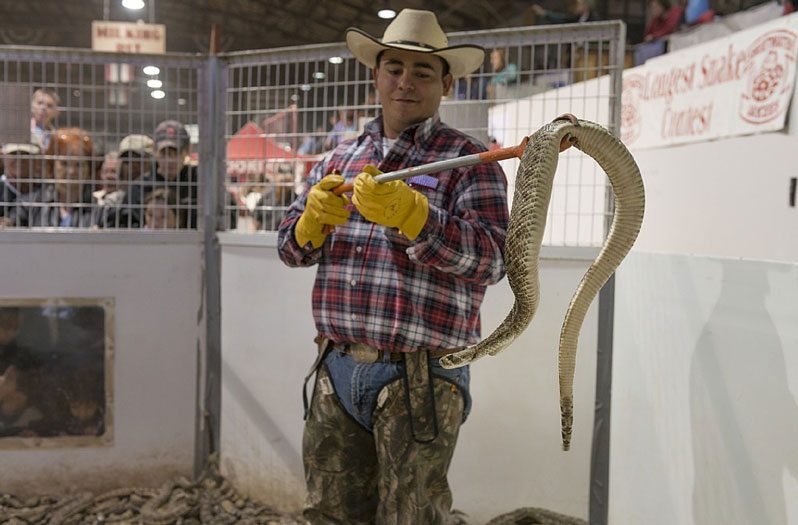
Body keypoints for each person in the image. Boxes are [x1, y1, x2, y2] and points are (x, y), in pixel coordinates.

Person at [277, 8, 509, 524]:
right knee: (328, 515)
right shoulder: (337, 160)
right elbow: (289, 250)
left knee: (413, 517)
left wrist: (417, 218)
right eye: (395, 68)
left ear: (446, 83)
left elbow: (492, 260)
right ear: (376, 75)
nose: (406, 82)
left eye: (423, 71)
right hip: (336, 369)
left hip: (421, 378)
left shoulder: (470, 163)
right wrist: (309, 224)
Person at [0, 143, 42, 227]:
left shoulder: (47, 191)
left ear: (37, 160)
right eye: (14, 154)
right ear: (3, 157)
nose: (19, 159)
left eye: (26, 154)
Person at [532, 0, 600, 24]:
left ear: (585, 6)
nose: (576, 6)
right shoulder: (575, 17)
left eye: (579, 4)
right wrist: (545, 13)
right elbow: (562, 19)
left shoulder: (593, 19)